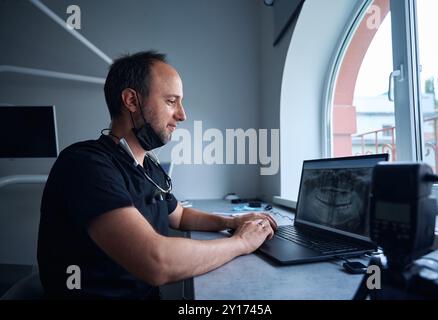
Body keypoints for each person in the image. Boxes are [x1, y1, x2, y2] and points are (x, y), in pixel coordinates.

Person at [37, 50, 277, 299]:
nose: (182, 115)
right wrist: (241, 243)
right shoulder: (85, 164)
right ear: (131, 101)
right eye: (171, 101)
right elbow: (156, 262)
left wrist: (232, 221)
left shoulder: (148, 166)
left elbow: (180, 215)